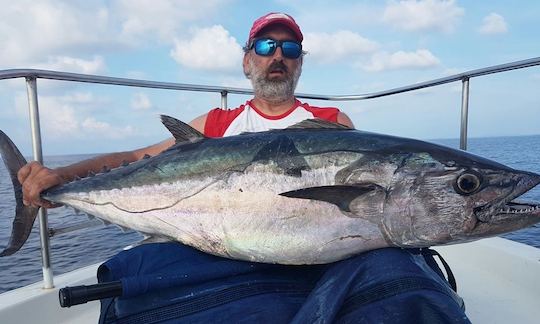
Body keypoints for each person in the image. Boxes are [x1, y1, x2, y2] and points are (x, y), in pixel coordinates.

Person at [18, 12, 470, 323]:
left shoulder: (332, 125)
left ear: (299, 62)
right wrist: (61, 179)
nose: (278, 55)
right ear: (247, 59)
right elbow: (137, 160)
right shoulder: (215, 125)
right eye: (266, 45)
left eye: (289, 47)